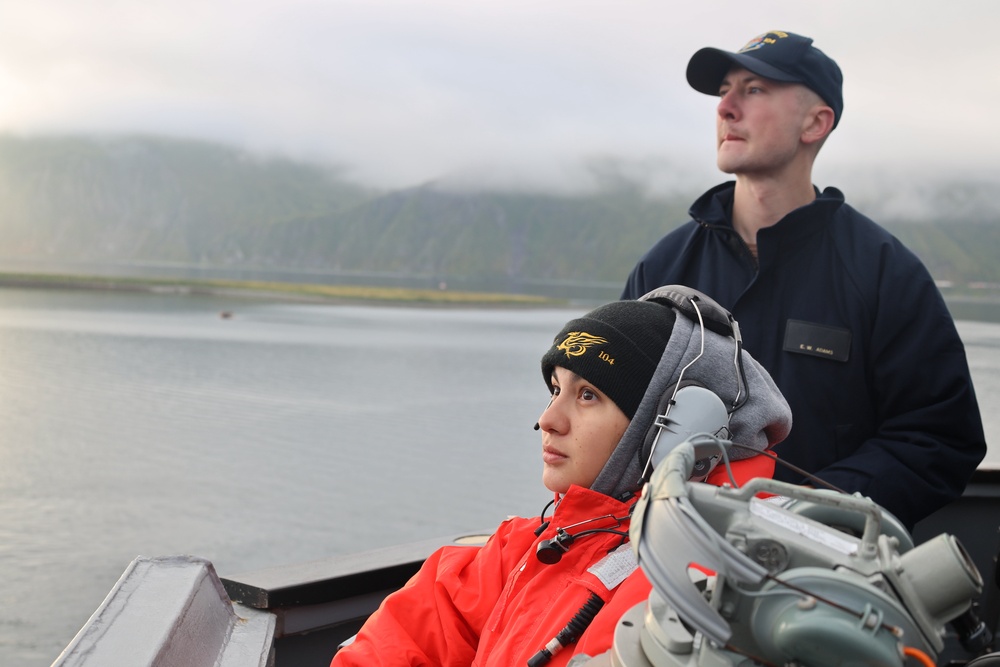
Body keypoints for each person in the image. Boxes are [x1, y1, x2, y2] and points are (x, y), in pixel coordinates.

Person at [621, 31, 986, 530]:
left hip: (822, 578)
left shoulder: (885, 273)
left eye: (753, 90)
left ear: (816, 122)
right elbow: (612, 418)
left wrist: (802, 509)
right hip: (670, 565)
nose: (725, 107)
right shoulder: (662, 270)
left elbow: (939, 437)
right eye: (725, 90)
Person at [331, 288, 792, 667]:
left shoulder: (704, 583)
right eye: (556, 389)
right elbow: (404, 636)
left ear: (674, 428)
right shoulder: (531, 547)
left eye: (587, 395)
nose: (548, 418)